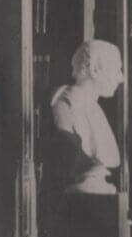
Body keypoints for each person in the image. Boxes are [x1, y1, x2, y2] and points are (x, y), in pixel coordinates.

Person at [50, 39, 123, 194]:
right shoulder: (67, 106)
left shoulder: (92, 107)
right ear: (94, 70)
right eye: (117, 69)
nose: (121, 78)